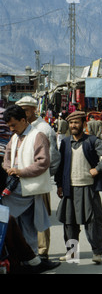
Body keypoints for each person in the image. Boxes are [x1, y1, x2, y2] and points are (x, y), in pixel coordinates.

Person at [55, 111, 102, 264]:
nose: (73, 125)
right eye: (71, 123)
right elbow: (61, 166)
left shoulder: (92, 141)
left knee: (92, 222)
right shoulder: (65, 142)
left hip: (88, 188)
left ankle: (97, 252)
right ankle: (72, 253)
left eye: (76, 122)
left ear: (84, 124)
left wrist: (98, 168)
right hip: (70, 188)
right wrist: (59, 185)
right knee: (69, 223)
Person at [1, 105, 53, 255]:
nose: (11, 129)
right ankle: (22, 259)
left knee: (28, 227)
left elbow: (43, 162)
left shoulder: (38, 136)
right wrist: (8, 169)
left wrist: (21, 171)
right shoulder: (14, 137)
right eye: (9, 126)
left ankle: (32, 259)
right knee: (15, 226)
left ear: (23, 120)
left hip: (29, 188)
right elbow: (7, 158)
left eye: (13, 125)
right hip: (15, 187)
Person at [16, 96, 60, 261]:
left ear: (34, 110)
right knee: (24, 217)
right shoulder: (22, 127)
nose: (24, 113)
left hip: (40, 180)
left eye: (26, 110)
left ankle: (42, 252)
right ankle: (27, 251)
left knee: (40, 217)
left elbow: (54, 158)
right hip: (23, 180)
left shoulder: (44, 129)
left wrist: (46, 177)